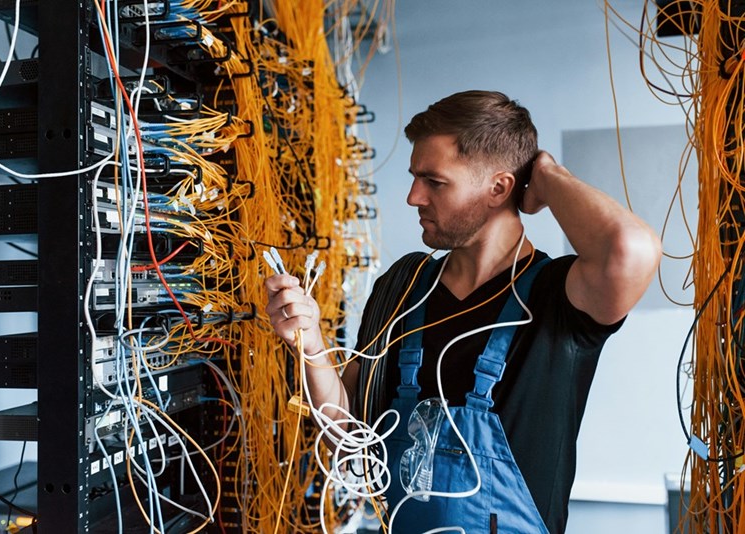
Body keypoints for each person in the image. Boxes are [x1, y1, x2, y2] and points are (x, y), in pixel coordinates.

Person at [264, 90, 661, 533]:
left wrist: (547, 177)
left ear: (498, 188)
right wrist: (312, 345)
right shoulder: (403, 286)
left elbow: (632, 249)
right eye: (415, 177)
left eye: (434, 181)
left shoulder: (557, 296)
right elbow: (346, 438)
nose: (414, 196)